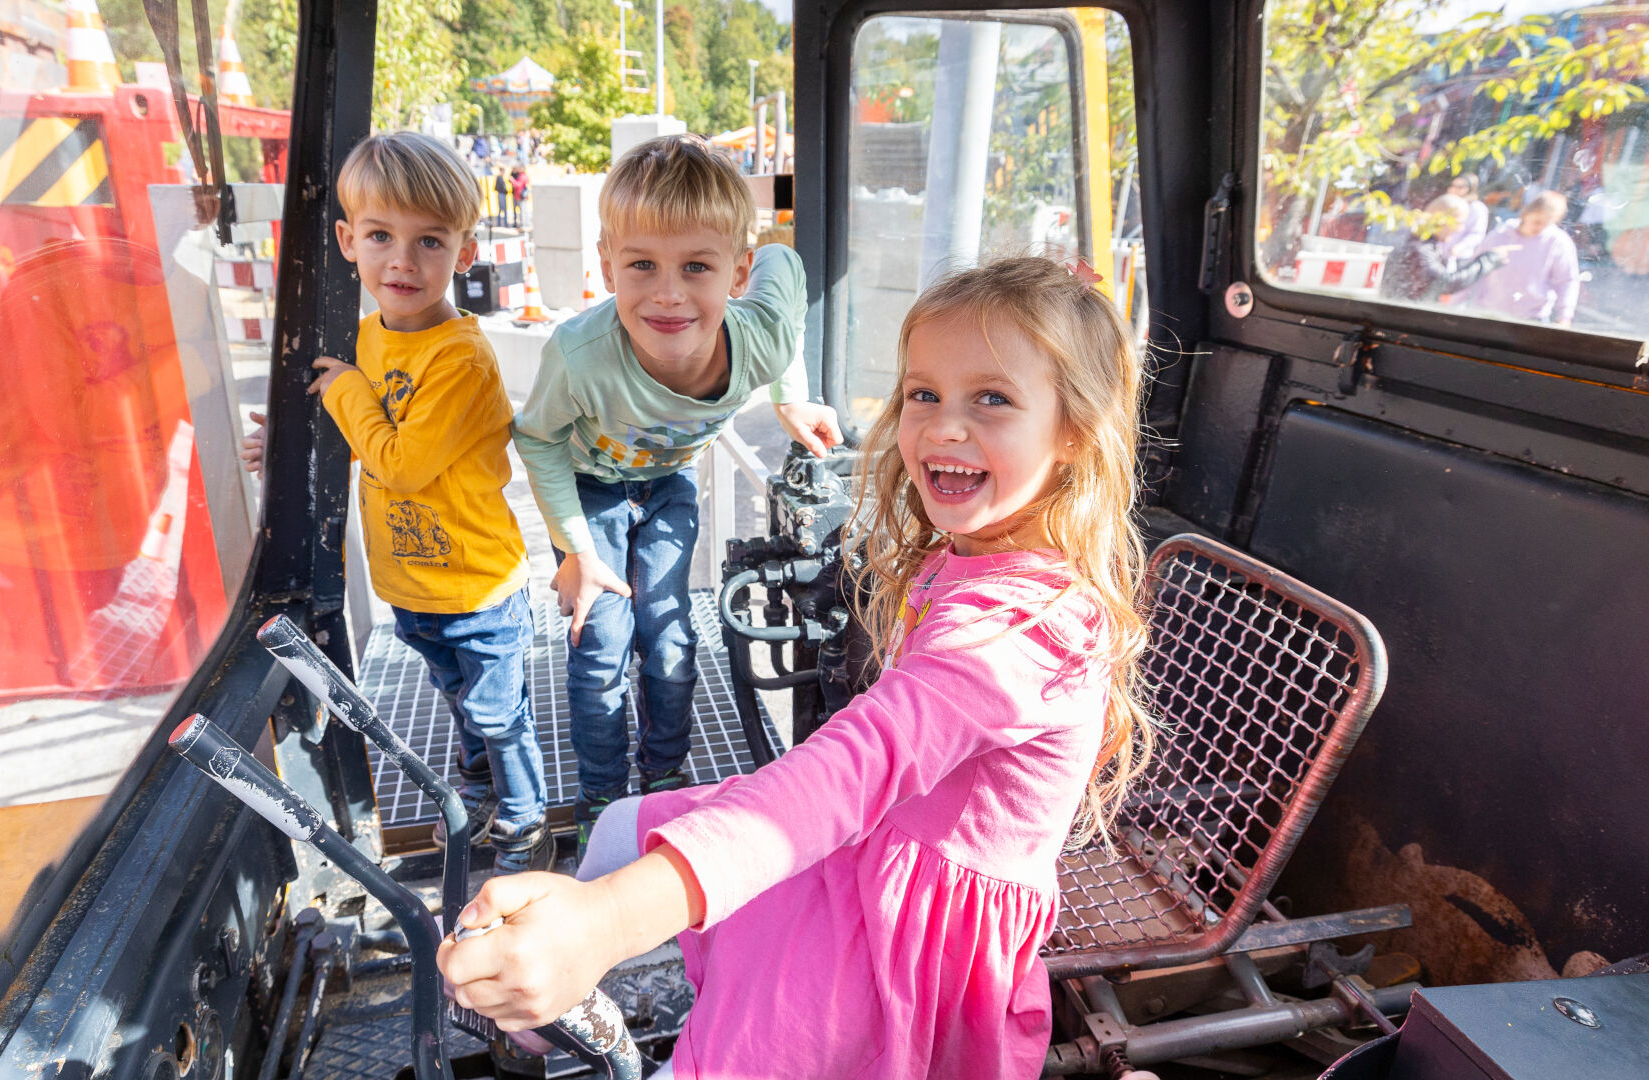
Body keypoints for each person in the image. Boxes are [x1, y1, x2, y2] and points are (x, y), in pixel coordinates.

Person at [443, 255, 1155, 1079]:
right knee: (617, 828)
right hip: (882, 844)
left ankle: (585, 972)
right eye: (924, 393)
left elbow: (856, 767)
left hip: (912, 931)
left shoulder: (1018, 630)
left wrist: (606, 921)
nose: (943, 426)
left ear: (1074, 429)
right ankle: (542, 992)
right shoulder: (975, 557)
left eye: (991, 398)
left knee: (727, 1057)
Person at [510, 135, 843, 844]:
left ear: (736, 273)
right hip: (590, 487)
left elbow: (786, 262)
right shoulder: (579, 356)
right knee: (599, 641)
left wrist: (792, 398)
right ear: (607, 266)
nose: (667, 294)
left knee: (668, 639)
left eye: (697, 266)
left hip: (666, 483)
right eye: (642, 266)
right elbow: (537, 438)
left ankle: (664, 775)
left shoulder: (760, 338)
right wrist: (574, 552)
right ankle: (601, 795)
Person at [240, 132, 553, 872]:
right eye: (380, 236)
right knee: (455, 696)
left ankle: (526, 821)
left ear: (465, 253)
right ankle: (478, 791)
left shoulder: (459, 360)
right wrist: (284, 447)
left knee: (498, 712)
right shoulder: (369, 340)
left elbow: (402, 462)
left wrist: (344, 390)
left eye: (430, 241)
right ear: (349, 240)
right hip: (411, 583)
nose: (402, 262)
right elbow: (362, 430)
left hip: (476, 582)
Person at [1461, 190, 1581, 327]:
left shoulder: (1558, 242)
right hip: (1488, 314)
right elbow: (1473, 269)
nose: (1540, 227)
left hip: (1531, 318)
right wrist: (1454, 303)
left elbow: (1567, 280)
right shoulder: (1501, 235)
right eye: (1537, 221)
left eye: (1546, 224)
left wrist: (1565, 316)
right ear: (1527, 212)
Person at [1379, 194, 1512, 304]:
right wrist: (1489, 259)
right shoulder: (1419, 247)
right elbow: (1445, 282)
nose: (1460, 229)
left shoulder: (1423, 243)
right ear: (1441, 219)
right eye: (1458, 223)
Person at [1438, 174, 1489, 260]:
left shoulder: (1477, 207)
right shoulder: (1446, 203)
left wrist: (1460, 247)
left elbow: (1477, 234)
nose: (1453, 189)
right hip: (1438, 253)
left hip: (1458, 257)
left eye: (1459, 187)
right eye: (1452, 185)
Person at [509, 165, 529, 229]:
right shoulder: (521, 175)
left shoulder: (522, 176)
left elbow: (519, 185)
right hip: (518, 196)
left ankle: (523, 225)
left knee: (522, 211)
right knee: (522, 211)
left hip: (520, 196)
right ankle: (523, 224)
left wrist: (512, 180)